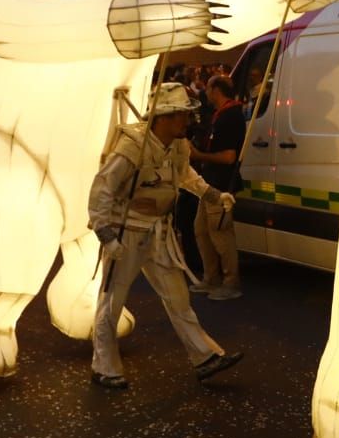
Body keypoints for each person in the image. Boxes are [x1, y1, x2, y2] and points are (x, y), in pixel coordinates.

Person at [88, 83, 242, 391]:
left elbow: (184, 175)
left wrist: (213, 195)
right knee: (112, 300)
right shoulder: (133, 146)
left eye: (187, 115)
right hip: (126, 233)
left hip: (159, 234)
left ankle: (204, 357)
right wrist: (106, 235)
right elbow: (102, 188)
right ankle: (104, 366)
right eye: (180, 115)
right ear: (163, 117)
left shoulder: (178, 145)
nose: (187, 122)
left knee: (178, 298)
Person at [190, 75, 246, 299]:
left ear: (216, 90)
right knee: (201, 231)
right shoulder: (219, 115)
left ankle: (230, 283)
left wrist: (200, 155)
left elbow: (229, 157)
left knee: (221, 234)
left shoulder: (230, 116)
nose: (205, 92)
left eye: (209, 87)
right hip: (208, 184)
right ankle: (211, 278)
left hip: (221, 185)